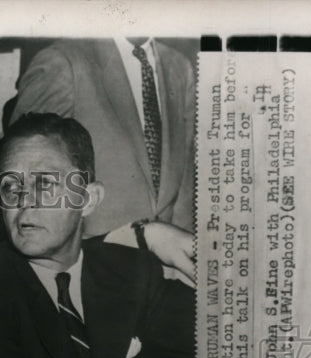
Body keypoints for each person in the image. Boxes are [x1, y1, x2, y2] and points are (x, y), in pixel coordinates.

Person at [0, 113, 194, 358]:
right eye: (11, 186)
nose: (24, 202)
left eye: (45, 184)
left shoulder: (134, 271)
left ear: (88, 199)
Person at [11, 37, 195, 240]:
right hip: (90, 258)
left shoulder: (180, 67)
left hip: (163, 263)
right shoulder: (64, 60)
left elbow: (185, 181)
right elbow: (24, 175)